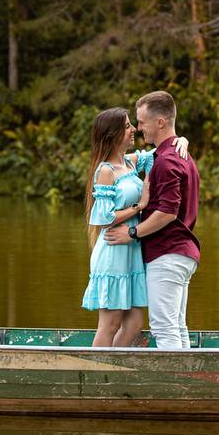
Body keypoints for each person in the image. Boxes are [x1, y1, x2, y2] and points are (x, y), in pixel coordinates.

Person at [82, 107, 188, 347]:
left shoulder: (130, 162)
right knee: (110, 324)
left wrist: (182, 140)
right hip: (113, 249)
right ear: (113, 134)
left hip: (131, 251)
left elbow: (159, 151)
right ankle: (98, 378)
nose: (134, 130)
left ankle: (114, 371)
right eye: (128, 126)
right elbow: (105, 217)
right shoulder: (106, 171)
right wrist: (139, 207)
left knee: (134, 323)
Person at [105, 91, 200, 349]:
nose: (138, 127)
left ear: (160, 122)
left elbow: (168, 212)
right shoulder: (176, 155)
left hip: (167, 253)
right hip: (180, 253)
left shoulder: (167, 161)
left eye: (142, 121)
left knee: (164, 328)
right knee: (177, 327)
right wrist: (183, 139)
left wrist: (132, 233)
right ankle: (184, 382)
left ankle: (175, 387)